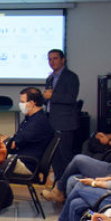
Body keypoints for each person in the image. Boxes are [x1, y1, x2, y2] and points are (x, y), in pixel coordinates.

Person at [43, 49, 80, 181]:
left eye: (55, 58)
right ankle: (59, 184)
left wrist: (52, 96)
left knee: (65, 155)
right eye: (49, 59)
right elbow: (48, 100)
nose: (52, 62)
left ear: (63, 60)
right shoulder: (50, 78)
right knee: (54, 155)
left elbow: (71, 98)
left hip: (65, 122)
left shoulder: (71, 77)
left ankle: (68, 184)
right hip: (50, 120)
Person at [7, 87, 54, 174]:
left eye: (22, 102)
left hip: (26, 163)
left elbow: (13, 144)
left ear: (32, 103)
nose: (20, 104)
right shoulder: (32, 118)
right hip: (22, 158)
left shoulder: (37, 122)